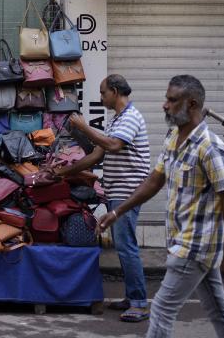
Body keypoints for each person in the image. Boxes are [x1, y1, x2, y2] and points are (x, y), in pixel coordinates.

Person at [98, 75, 224, 338]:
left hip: (194, 246)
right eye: (166, 98)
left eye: (172, 100)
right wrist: (118, 211)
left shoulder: (210, 147)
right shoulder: (173, 136)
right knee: (219, 312)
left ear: (193, 104)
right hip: (184, 242)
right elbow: (154, 181)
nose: (165, 105)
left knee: (162, 310)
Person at [53, 74, 151, 322]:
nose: (101, 97)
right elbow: (96, 156)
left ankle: (139, 303)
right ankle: (132, 296)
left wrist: (84, 126)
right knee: (123, 245)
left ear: (115, 91)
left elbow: (113, 145)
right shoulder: (116, 119)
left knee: (126, 246)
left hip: (127, 191)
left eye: (103, 93)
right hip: (117, 190)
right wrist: (63, 172)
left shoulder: (130, 117)